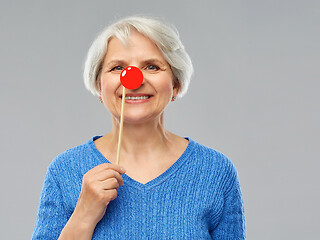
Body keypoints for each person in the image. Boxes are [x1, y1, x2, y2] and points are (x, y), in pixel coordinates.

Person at [31, 15, 246, 239]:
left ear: (176, 84)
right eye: (117, 68)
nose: (133, 79)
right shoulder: (65, 170)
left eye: (152, 66)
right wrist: (83, 216)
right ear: (99, 86)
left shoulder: (216, 171)